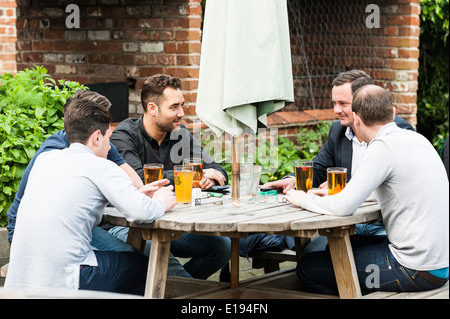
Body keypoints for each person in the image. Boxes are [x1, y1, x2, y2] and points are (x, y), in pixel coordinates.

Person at [6, 89, 191, 278]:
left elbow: (135, 186)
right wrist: (159, 202)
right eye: (107, 132)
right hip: (52, 256)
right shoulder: (84, 157)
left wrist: (132, 196)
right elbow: (139, 211)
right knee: (144, 265)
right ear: (96, 132)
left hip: (34, 258)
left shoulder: (53, 157)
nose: (111, 144)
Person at [285, 85, 449, 295]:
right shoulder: (417, 140)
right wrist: (340, 193)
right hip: (440, 266)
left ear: (357, 119)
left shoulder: (382, 146)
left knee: (308, 268)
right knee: (340, 248)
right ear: (393, 113)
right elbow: (393, 189)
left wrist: (302, 199)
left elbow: (343, 207)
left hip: (414, 270)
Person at [263, 70, 414, 238]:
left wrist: (340, 192)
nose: (336, 110)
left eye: (343, 103)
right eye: (334, 103)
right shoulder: (339, 130)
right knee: (311, 255)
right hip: (346, 222)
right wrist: (290, 180)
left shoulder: (395, 131)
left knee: (316, 261)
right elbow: (319, 167)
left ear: (362, 102)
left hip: (384, 226)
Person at [110, 74, 231, 280]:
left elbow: (218, 170)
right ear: (152, 108)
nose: (181, 113)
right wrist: (196, 175)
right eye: (174, 107)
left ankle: (181, 288)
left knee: (221, 246)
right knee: (159, 253)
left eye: (182, 105)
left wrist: (211, 178)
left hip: (170, 222)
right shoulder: (125, 135)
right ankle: (188, 293)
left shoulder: (179, 134)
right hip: (128, 225)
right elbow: (142, 179)